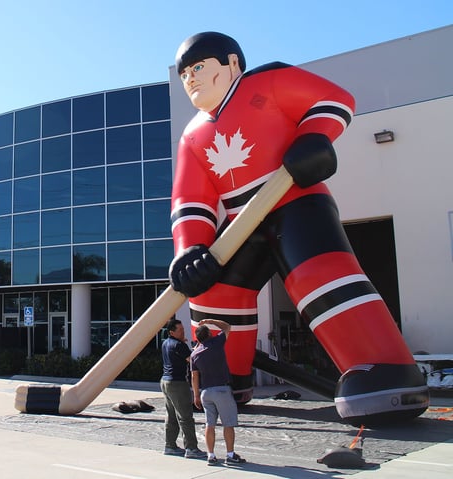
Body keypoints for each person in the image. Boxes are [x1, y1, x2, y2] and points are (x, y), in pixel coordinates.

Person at [169, 31, 428, 425]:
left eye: (199, 66)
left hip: (296, 200)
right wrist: (190, 248)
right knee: (212, 289)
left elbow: (334, 100)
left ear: (233, 64)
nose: (190, 78)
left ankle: (384, 369)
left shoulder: (268, 82)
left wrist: (313, 138)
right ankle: (225, 381)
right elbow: (191, 201)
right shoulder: (192, 136)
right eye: (185, 72)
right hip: (242, 221)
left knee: (320, 275)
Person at [191, 318, 245, 466]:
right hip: (221, 389)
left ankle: (211, 455)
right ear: (209, 334)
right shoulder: (216, 343)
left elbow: (194, 376)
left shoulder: (195, 354)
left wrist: (196, 395)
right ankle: (230, 454)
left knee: (210, 424)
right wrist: (210, 320)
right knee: (228, 423)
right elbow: (227, 326)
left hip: (205, 392)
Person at [160, 318, 206, 459]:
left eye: (183, 329)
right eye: (180, 330)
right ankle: (191, 448)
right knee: (186, 416)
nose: (183, 332)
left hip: (165, 381)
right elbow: (192, 360)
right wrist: (200, 347)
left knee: (171, 415)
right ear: (172, 332)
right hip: (177, 383)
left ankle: (170, 445)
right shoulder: (179, 345)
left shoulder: (166, 343)